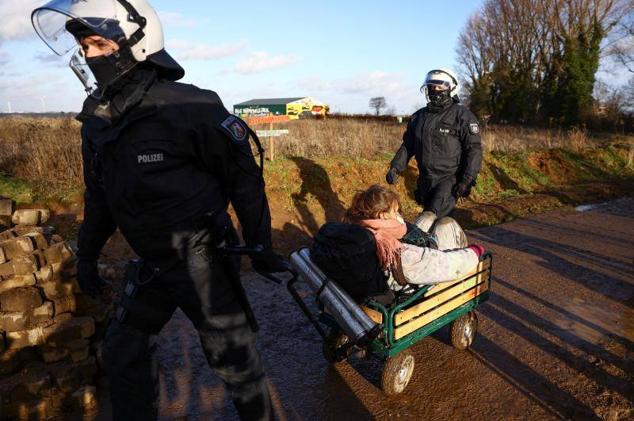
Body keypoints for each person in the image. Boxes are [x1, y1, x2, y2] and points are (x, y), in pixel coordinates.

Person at [31, 1, 288, 420]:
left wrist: (260, 243)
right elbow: (99, 197)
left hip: (203, 257)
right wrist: (89, 253)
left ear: (139, 42)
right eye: (83, 46)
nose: (88, 55)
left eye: (97, 43)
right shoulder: (98, 120)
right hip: (151, 261)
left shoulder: (192, 107)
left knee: (235, 364)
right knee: (122, 351)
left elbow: (244, 177)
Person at [385, 68, 483, 227]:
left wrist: (467, 180)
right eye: (431, 87)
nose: (435, 90)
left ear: (451, 88)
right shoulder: (418, 117)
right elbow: (408, 146)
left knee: (428, 218)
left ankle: (429, 247)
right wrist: (395, 168)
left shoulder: (462, 116)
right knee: (439, 223)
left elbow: (474, 149)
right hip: (425, 179)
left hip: (449, 179)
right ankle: (444, 247)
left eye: (440, 87)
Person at [343, 185, 484, 288]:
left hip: (398, 276)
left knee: (428, 216)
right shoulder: (393, 251)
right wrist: (473, 252)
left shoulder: (359, 233)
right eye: (396, 212)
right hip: (418, 280)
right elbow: (446, 264)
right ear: (383, 216)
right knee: (447, 224)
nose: (399, 216)